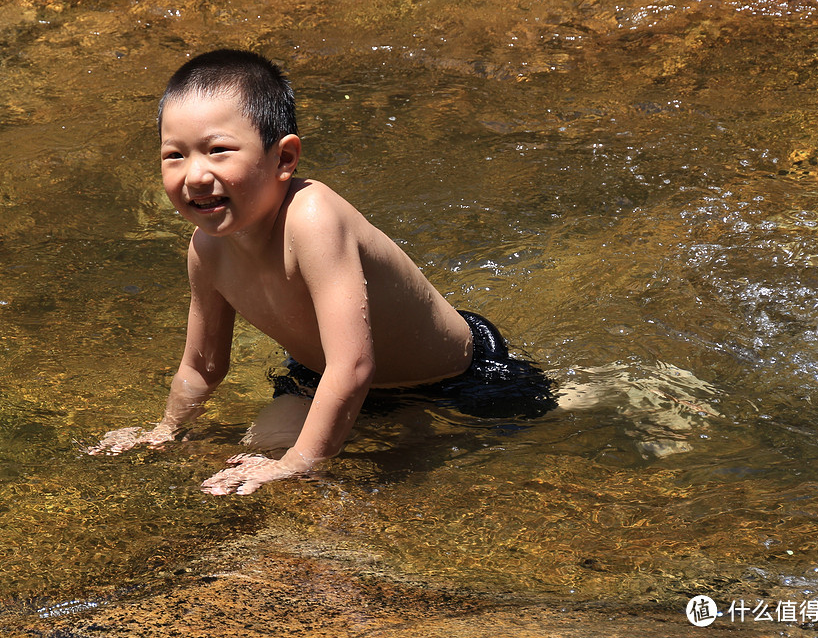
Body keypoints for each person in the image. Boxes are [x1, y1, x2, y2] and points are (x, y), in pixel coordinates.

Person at [89, 49, 553, 494]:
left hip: (459, 376)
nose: (194, 175)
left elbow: (353, 365)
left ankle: (600, 387)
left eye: (218, 150)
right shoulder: (207, 250)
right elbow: (203, 365)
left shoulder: (313, 218)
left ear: (284, 159)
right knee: (250, 458)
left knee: (542, 423)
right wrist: (166, 430)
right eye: (175, 155)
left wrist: (298, 464)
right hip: (318, 378)